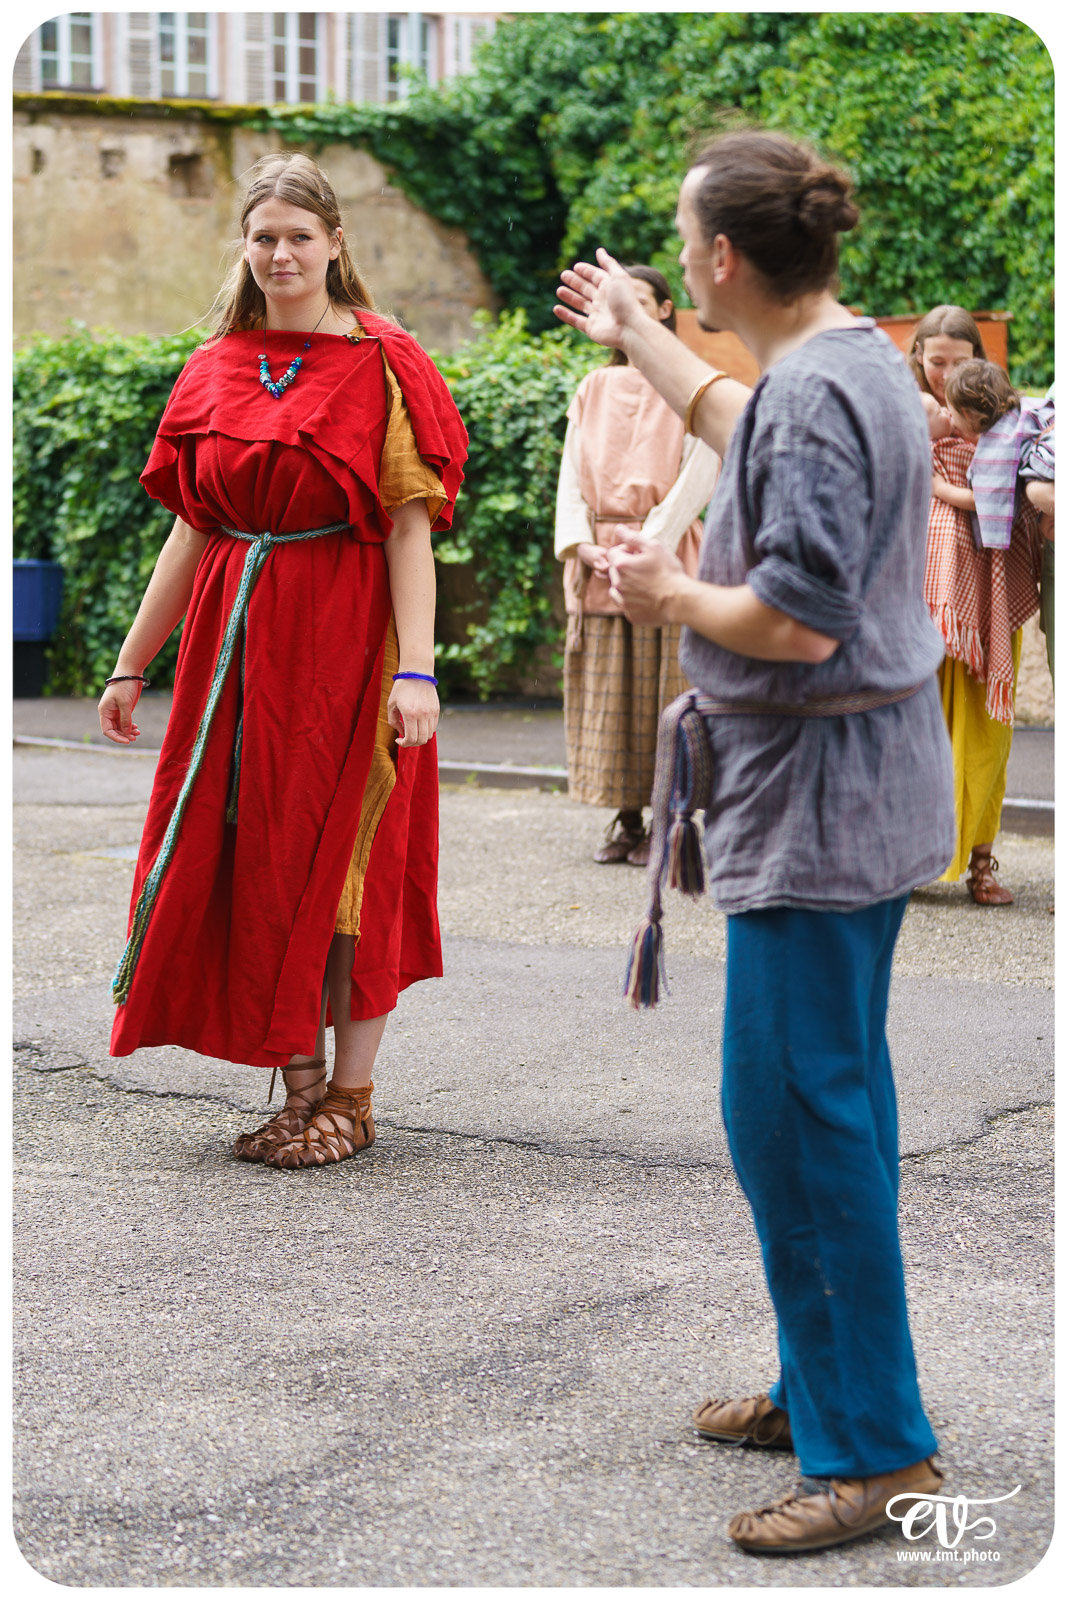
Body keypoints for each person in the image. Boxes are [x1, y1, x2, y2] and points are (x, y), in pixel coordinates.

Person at [555, 129, 953, 1554]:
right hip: (863, 790)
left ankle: (875, 1454)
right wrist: (639, 335)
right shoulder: (852, 364)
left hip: (818, 802)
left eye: (679, 247)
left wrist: (666, 592)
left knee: (795, 1124)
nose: (673, 264)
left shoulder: (814, 394)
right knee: (823, 1107)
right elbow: (741, 424)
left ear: (722, 257)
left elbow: (794, 619)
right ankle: (828, 1385)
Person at [98, 152, 467, 1169]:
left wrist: (417, 671)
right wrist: (134, 662)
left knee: (347, 856)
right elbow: (190, 530)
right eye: (263, 236)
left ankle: (351, 1095)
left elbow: (406, 531)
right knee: (247, 852)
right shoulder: (214, 364)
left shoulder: (386, 363)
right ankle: (298, 1093)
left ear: (334, 243)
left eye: (299, 236)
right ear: (245, 246)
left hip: (346, 644)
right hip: (234, 649)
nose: (279, 253)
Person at [555, 264, 720, 864]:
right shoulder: (591, 389)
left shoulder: (688, 385)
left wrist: (652, 539)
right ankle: (626, 817)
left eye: (642, 302)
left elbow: (701, 472)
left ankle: (668, 819)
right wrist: (581, 545)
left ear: (666, 309)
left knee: (665, 691)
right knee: (613, 692)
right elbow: (571, 473)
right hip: (599, 559)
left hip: (666, 552)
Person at [909, 318, 1043, 905]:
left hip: (992, 595)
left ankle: (981, 863)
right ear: (917, 357)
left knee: (989, 733)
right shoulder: (910, 417)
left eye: (957, 362)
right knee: (922, 731)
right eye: (935, 362)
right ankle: (911, 858)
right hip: (926, 596)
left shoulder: (1007, 429)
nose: (945, 376)